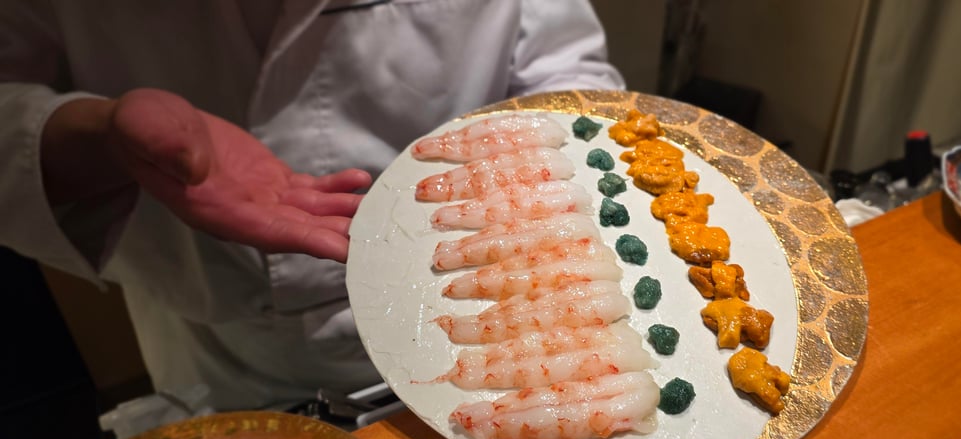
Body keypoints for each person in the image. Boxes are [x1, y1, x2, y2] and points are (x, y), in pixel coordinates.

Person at [0, 0, 625, 410]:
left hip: (492, 307)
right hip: (219, 344)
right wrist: (97, 136)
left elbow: (563, 71)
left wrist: (534, 228)